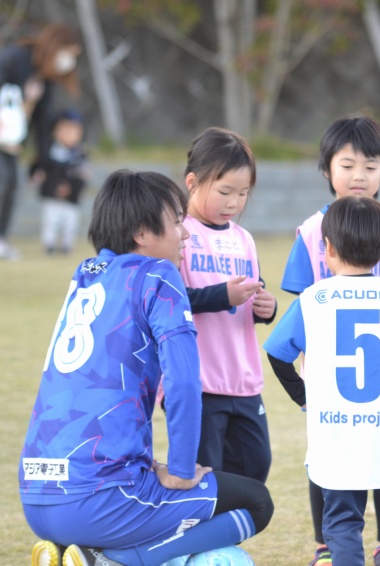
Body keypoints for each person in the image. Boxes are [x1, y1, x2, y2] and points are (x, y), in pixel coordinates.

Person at [21, 170, 273, 566]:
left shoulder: (86, 275)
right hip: (99, 503)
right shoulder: (158, 275)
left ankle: (78, 551)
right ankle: (111, 559)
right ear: (141, 232)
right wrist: (181, 468)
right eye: (176, 222)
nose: (186, 233)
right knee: (257, 502)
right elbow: (184, 381)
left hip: (37, 497)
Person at [265, 196, 380, 566]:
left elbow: (277, 353)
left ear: (328, 249)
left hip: (339, 432)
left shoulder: (312, 299)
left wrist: (303, 396)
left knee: (341, 524)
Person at [279, 113, 380, 566]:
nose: (359, 175)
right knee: (324, 455)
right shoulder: (310, 230)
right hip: (330, 374)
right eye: (347, 165)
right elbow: (300, 303)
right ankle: (328, 545)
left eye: (370, 165)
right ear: (327, 170)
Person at [178, 127, 277, 483]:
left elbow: (253, 293)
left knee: (255, 466)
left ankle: (231, 535)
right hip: (199, 382)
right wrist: (221, 296)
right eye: (225, 191)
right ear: (192, 181)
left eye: (243, 193)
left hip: (244, 379)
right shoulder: (177, 235)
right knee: (207, 473)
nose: (234, 202)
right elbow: (168, 303)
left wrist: (267, 307)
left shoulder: (243, 239)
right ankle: (208, 540)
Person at [0, 23, 82, 260]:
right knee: (3, 181)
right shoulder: (16, 57)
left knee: (11, 185)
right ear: (57, 47)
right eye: (69, 54)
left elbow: (42, 126)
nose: (69, 62)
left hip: (10, 142)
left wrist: (42, 163)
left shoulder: (46, 80)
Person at [30, 108, 87, 255]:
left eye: (74, 131)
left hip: (71, 200)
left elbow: (82, 178)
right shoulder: (48, 152)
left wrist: (72, 188)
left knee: (70, 223)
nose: (69, 135)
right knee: (50, 222)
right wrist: (35, 175)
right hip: (51, 196)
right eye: (65, 130)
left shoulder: (80, 156)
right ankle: (49, 245)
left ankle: (67, 245)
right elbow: (38, 168)